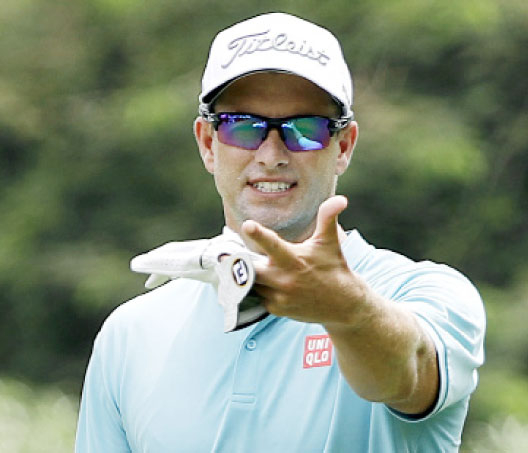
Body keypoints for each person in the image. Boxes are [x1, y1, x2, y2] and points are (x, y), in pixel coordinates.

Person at [75, 12, 486, 453]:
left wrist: (348, 313)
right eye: (243, 127)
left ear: (343, 146)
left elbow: (407, 371)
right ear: (208, 143)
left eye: (304, 129)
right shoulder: (131, 334)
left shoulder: (425, 293)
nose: (271, 154)